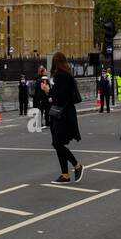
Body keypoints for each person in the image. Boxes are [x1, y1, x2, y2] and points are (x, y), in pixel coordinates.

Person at [45, 51, 83, 183]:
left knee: (57, 143)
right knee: (58, 144)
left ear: (56, 63)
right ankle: (65, 174)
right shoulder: (67, 75)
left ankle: (77, 165)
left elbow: (60, 96)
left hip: (63, 114)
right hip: (64, 113)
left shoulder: (61, 76)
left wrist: (48, 91)